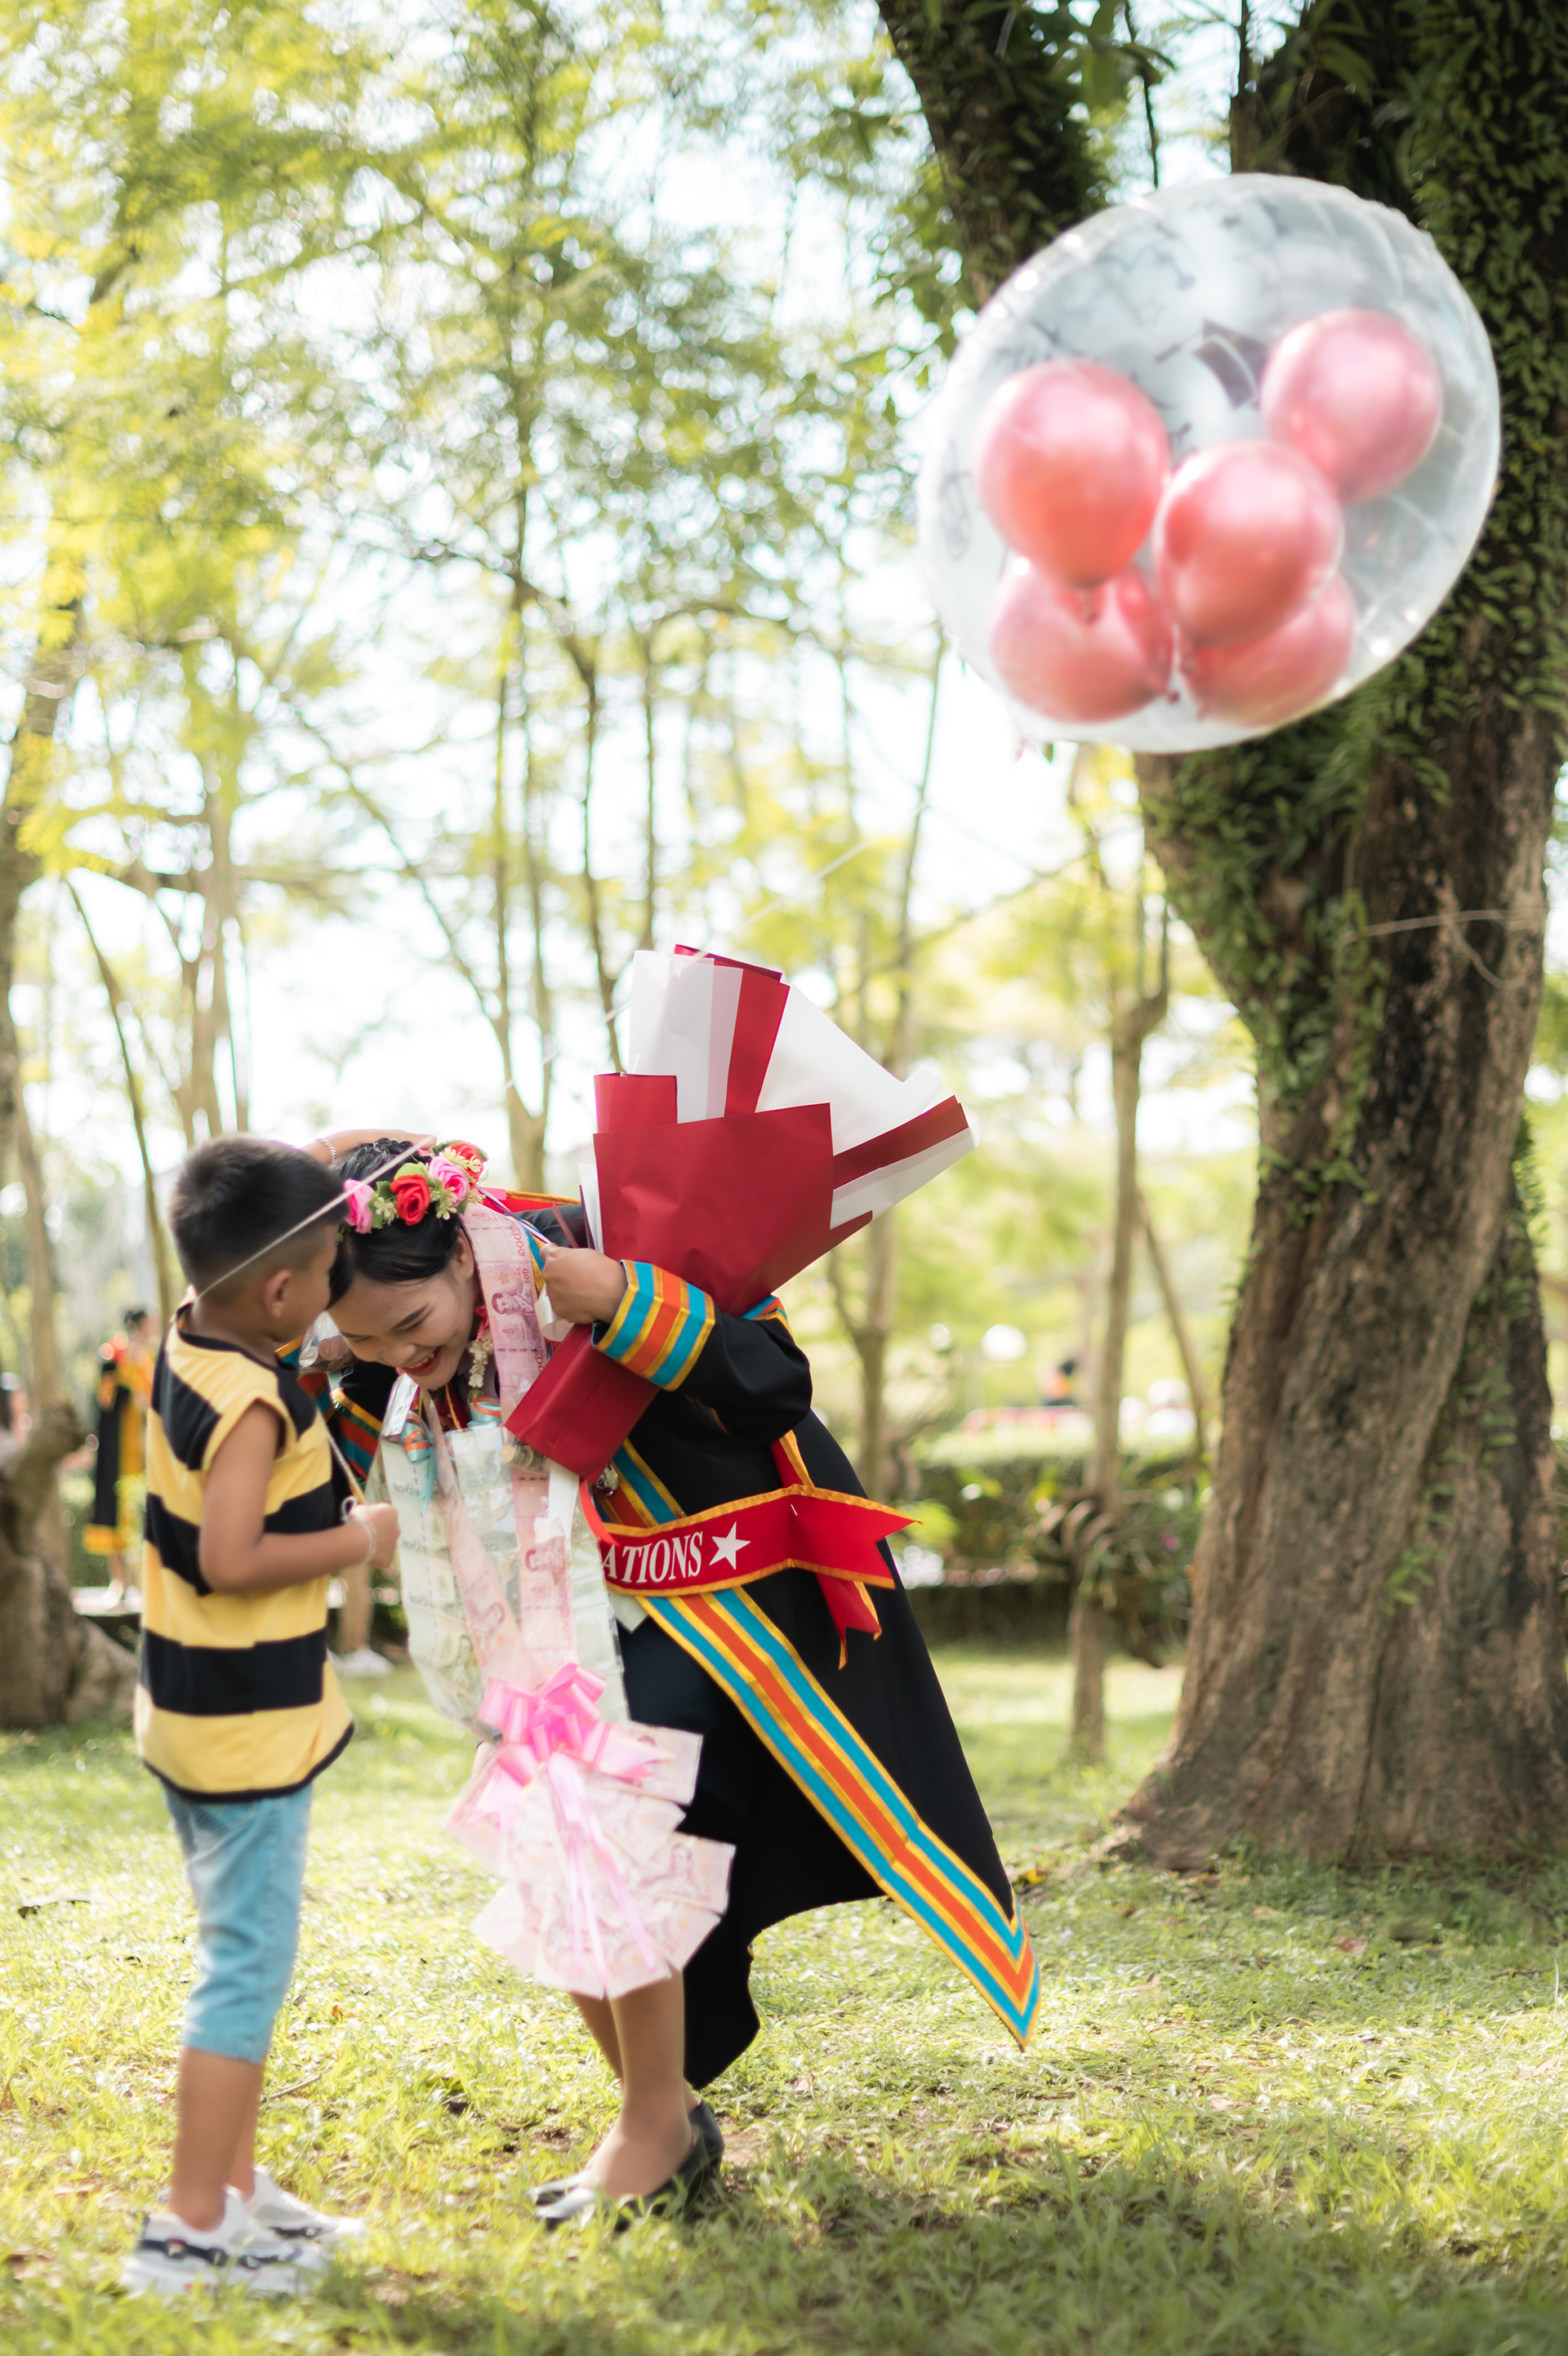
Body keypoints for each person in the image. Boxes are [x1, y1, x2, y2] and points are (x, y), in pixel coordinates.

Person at [310, 1130, 1040, 2228]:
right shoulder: (393, 1346)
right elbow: (323, 1434)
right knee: (535, 1807)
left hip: (720, 1599)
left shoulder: (600, 1241)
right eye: (364, 1340)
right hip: (557, 1620)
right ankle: (664, 2113)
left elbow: (774, 1384)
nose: (394, 1355)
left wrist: (621, 1298)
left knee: (596, 1789)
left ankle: (653, 2119)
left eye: (408, 1325)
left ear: (462, 1250)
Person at [121, 1137, 400, 2298]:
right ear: (281, 1289)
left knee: (236, 1952)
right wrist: (361, 1538)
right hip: (243, 1728)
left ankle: (237, 2195)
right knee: (244, 1968)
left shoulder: (193, 1336)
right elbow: (233, 1558)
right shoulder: (249, 1405)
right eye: (333, 1267)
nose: (341, 1285)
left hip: (188, 1707)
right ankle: (189, 2231)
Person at [85, 1307, 154, 1598]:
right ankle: (119, 1581)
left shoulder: (149, 1359)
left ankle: (144, 1582)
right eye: (147, 1325)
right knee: (115, 1511)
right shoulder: (113, 1354)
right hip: (117, 1450)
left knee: (144, 1512)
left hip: (143, 1448)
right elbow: (106, 1399)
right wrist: (128, 1383)